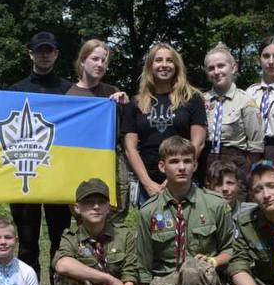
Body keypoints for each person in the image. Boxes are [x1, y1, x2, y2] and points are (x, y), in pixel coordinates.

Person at [131, 137, 237, 285]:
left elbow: (232, 250)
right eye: (174, 161)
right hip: (166, 281)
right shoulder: (149, 210)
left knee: (191, 270)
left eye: (187, 161)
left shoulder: (215, 205)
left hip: (206, 281)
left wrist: (213, 261)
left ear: (195, 165)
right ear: (161, 166)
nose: (181, 167)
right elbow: (144, 265)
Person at [8, 31, 75, 285]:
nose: (44, 55)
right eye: (39, 51)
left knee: (60, 238)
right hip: (24, 172)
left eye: (49, 50)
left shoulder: (70, 91)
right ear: (31, 54)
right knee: (27, 241)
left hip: (58, 174)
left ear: (56, 54)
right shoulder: (15, 90)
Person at [122, 43, 207, 205]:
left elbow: (199, 142)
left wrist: (174, 179)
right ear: (150, 66)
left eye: (169, 60)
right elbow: (129, 148)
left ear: (176, 66)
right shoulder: (136, 103)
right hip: (149, 185)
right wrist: (147, 183)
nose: (164, 65)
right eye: (158, 60)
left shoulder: (192, 98)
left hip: (184, 181)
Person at [67, 39, 131, 221]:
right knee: (85, 211)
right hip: (81, 161)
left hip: (112, 160)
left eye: (104, 61)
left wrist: (126, 105)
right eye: (95, 59)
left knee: (115, 210)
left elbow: (128, 128)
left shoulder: (112, 92)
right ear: (82, 61)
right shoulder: (70, 96)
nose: (100, 64)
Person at [201, 43, 263, 185]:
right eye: (211, 68)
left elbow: (256, 145)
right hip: (207, 163)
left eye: (221, 66)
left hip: (235, 165)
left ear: (233, 67)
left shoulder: (246, 101)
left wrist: (247, 173)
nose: (216, 72)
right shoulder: (201, 100)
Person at [206, 158, 255, 224]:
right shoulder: (201, 214)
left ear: (238, 185)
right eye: (218, 184)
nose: (224, 188)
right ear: (209, 187)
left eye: (230, 183)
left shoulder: (251, 213)